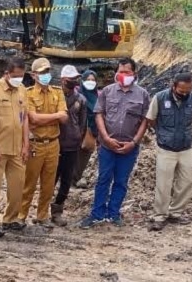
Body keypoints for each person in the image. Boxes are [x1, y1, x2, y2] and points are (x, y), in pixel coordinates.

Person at [80, 57, 150, 228]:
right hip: (107, 146)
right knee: (103, 178)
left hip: (129, 148)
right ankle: (97, 214)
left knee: (121, 181)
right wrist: (105, 138)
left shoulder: (142, 94)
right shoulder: (107, 92)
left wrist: (133, 142)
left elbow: (144, 121)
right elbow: (99, 114)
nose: (122, 75)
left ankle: (114, 213)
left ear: (134, 74)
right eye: (120, 71)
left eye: (127, 72)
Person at [0, 57, 30, 238]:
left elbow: (24, 117)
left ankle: (10, 219)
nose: (18, 79)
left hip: (17, 148)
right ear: (6, 74)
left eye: (21, 76)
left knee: (17, 186)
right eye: (15, 76)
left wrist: (26, 144)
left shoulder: (22, 90)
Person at [146, 72, 192, 231]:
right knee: (164, 184)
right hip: (165, 148)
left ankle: (175, 213)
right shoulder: (160, 98)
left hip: (185, 147)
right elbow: (151, 119)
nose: (184, 94)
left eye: (187, 91)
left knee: (187, 180)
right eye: (181, 91)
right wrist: (162, 133)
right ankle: (159, 216)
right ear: (173, 86)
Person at [21, 58, 67, 228]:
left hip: (53, 144)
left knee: (48, 184)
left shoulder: (57, 92)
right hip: (36, 144)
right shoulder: (28, 93)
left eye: (47, 72)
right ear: (33, 75)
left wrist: (43, 120)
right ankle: (21, 216)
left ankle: (42, 216)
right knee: (29, 183)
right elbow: (33, 118)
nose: (45, 75)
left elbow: (64, 117)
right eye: (41, 73)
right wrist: (55, 117)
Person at [52, 65, 86, 227]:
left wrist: (78, 138)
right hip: (54, 144)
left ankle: (57, 210)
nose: (73, 82)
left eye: (75, 79)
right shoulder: (54, 97)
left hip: (71, 145)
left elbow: (82, 123)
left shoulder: (81, 100)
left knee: (66, 181)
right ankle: (43, 209)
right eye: (70, 79)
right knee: (50, 179)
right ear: (63, 80)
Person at [73, 70, 99, 186]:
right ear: (82, 81)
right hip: (77, 131)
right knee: (73, 155)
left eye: (93, 80)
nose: (90, 82)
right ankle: (68, 180)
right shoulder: (77, 94)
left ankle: (76, 178)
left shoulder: (97, 96)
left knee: (84, 155)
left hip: (91, 131)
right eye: (88, 80)